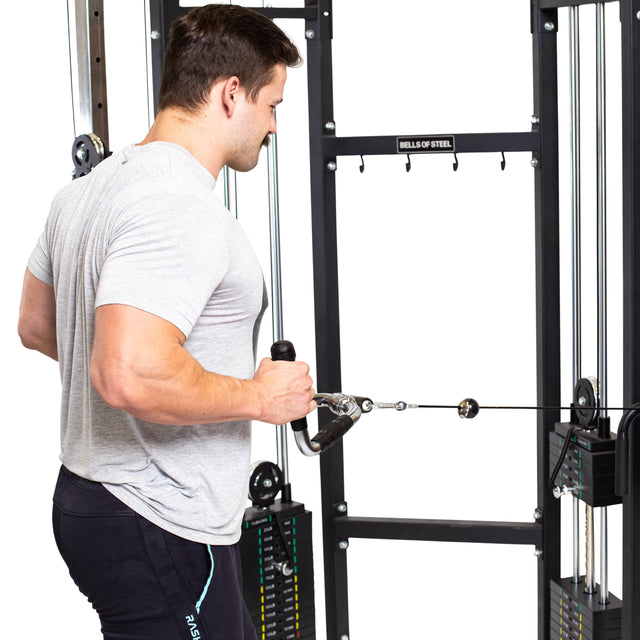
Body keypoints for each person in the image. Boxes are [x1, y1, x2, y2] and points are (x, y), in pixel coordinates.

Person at [17, 4, 315, 639]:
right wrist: (259, 397)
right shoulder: (178, 205)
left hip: (95, 497)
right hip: (156, 514)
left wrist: (140, 373)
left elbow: (40, 325)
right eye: (272, 105)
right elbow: (126, 372)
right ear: (230, 94)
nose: (273, 126)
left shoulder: (84, 193)